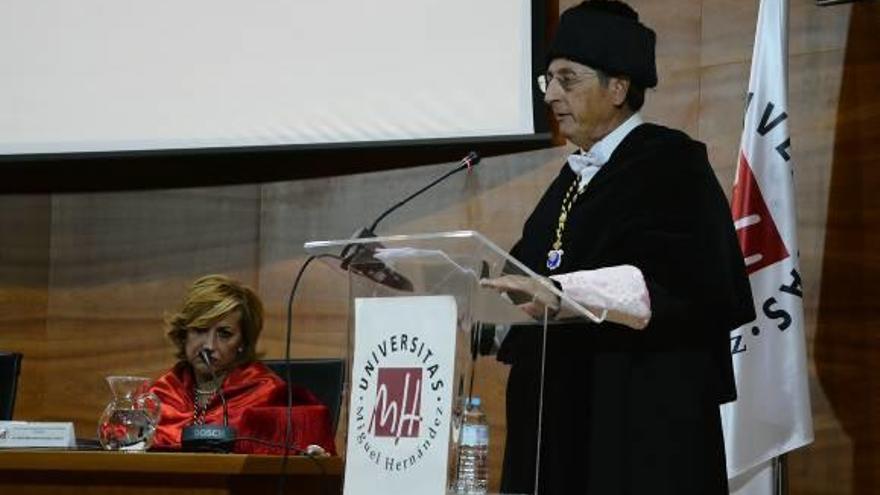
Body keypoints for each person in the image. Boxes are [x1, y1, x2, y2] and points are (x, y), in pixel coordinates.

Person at [480, 1, 755, 493]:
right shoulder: (572, 178)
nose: (553, 96)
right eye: (548, 81)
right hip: (561, 423)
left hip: (635, 420)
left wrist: (559, 291)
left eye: (568, 79)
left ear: (618, 87)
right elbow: (523, 281)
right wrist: (468, 302)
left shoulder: (671, 164)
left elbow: (681, 282)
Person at [148, 274, 336, 455]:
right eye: (200, 330)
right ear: (184, 334)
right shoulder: (161, 394)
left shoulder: (267, 396)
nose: (209, 346)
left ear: (243, 343)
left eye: (224, 334)